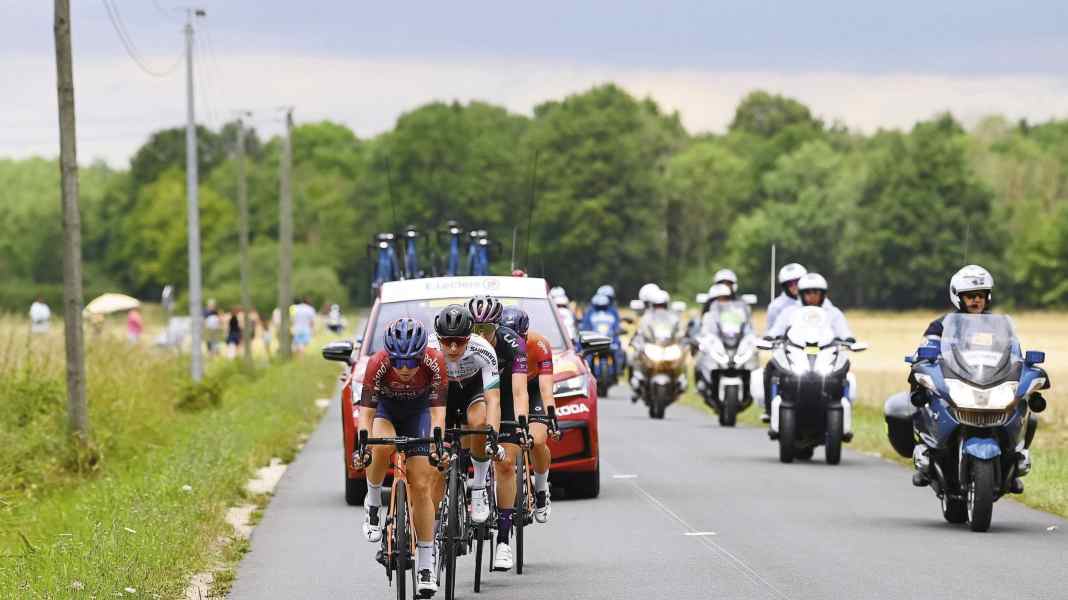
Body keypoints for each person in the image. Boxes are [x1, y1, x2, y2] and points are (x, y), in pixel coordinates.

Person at [354, 317, 446, 596]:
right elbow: (366, 415)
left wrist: (436, 444)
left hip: (420, 413)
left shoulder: (435, 362)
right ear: (389, 357)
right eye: (398, 362)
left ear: (421, 356)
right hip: (387, 411)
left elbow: (438, 412)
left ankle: (426, 564)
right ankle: (372, 501)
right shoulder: (377, 364)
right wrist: (362, 448)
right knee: (379, 446)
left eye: (411, 362)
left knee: (421, 486)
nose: (404, 369)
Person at [467, 295, 528, 572]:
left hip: (502, 398)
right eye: (475, 329)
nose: (481, 335)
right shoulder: (461, 344)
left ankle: (503, 541)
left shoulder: (512, 343)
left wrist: (522, 422)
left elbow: (518, 391)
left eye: (487, 329)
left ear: (497, 326)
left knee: (505, 464)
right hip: (473, 396)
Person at [429, 304, 502, 534]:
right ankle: (434, 521)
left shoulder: (483, 349)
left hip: (472, 390)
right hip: (442, 394)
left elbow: (494, 400)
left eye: (459, 342)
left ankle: (479, 486)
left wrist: (493, 436)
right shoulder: (428, 349)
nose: (452, 348)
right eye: (447, 341)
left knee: (479, 423)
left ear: (469, 338)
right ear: (438, 338)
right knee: (437, 454)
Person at [763, 273, 853, 421]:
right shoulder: (790, 311)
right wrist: (770, 337)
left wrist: (849, 339)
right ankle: (769, 410)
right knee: (771, 368)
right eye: (808, 292)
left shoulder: (833, 312)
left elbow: (844, 331)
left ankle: (841, 412)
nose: (812, 296)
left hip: (825, 355)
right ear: (801, 294)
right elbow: (776, 330)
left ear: (823, 294)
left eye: (816, 292)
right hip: (797, 353)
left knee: (843, 370)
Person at [500, 307, 560, 523]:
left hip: (533, 388)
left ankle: (542, 490)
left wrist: (551, 414)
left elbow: (545, 387)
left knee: (536, 440)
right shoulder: (496, 343)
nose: (517, 343)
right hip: (508, 389)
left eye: (521, 337)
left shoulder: (539, 344)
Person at [699, 283, 757, 403]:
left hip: (734, 345)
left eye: (725, 298)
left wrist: (751, 338)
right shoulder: (710, 315)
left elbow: (747, 328)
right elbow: (706, 331)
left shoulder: (738, 312)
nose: (722, 301)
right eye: (719, 298)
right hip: (717, 347)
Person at [765, 263, 807, 335]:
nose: (794, 286)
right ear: (785, 286)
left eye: (797, 281)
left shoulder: (816, 300)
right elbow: (770, 335)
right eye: (790, 283)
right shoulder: (775, 306)